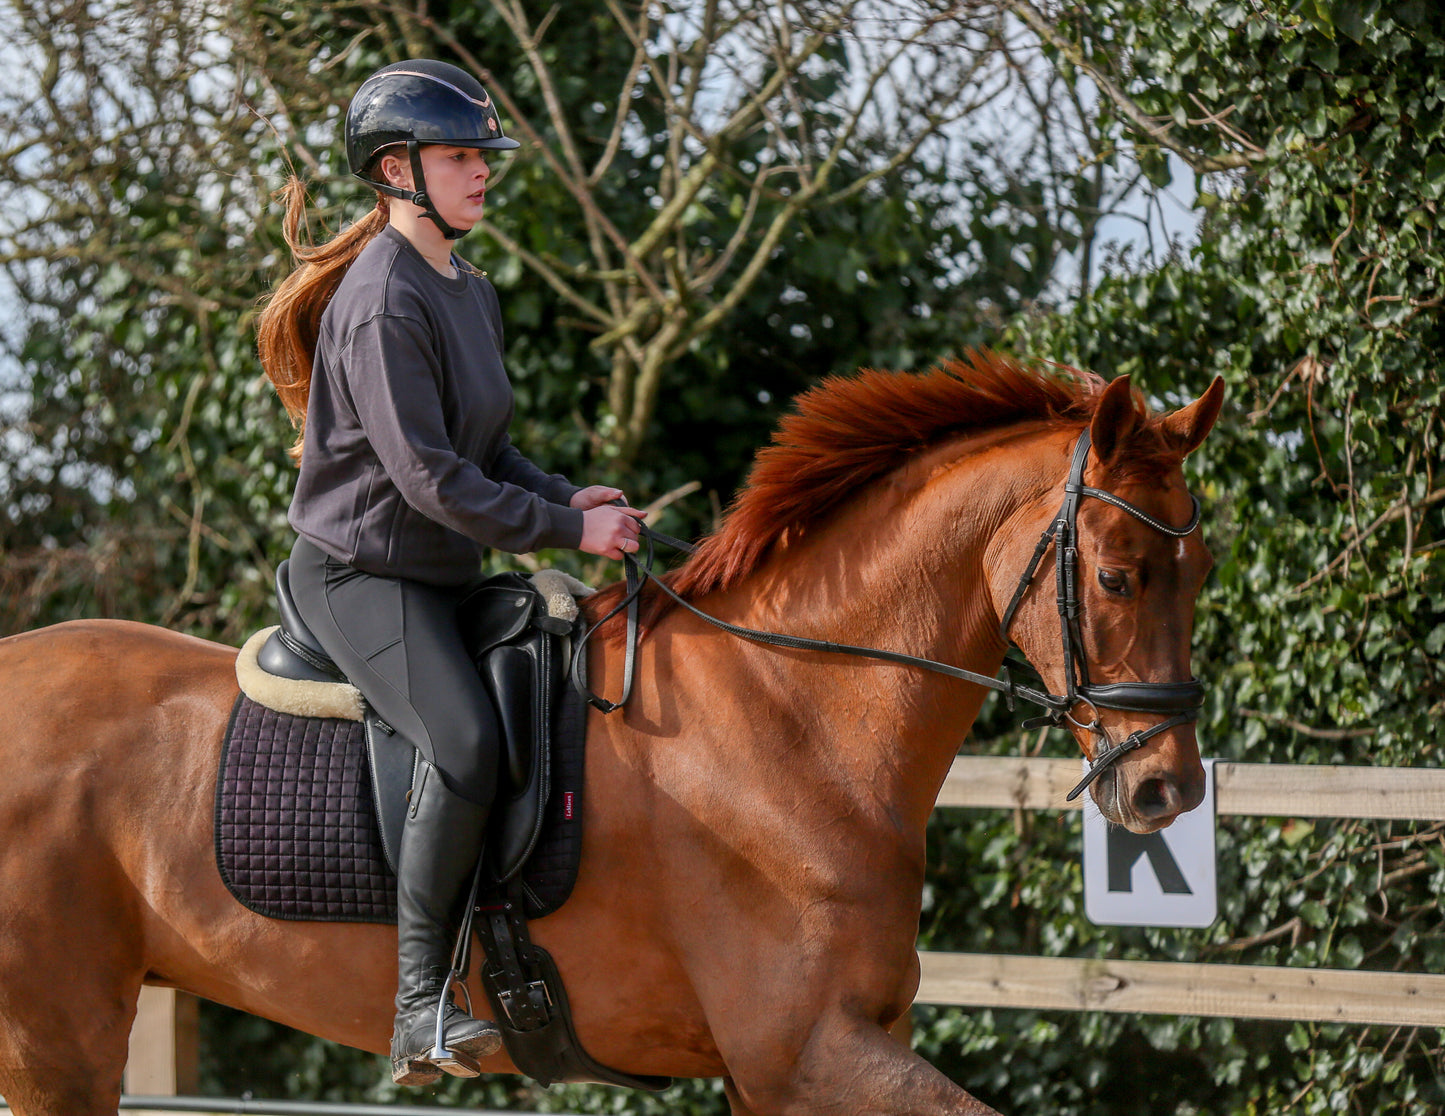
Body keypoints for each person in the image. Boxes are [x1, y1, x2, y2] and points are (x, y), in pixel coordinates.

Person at [255, 59, 646, 1086]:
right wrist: (560, 530)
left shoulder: (464, 289)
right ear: (398, 170)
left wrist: (574, 500)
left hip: (434, 568)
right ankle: (420, 1008)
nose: (482, 174)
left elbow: (487, 453)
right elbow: (429, 480)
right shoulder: (384, 301)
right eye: (461, 157)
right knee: (467, 744)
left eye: (480, 156)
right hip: (360, 578)